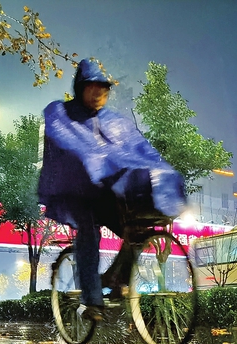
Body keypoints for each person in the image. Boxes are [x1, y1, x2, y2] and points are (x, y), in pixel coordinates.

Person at [38, 58, 186, 322]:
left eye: (103, 89)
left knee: (138, 230)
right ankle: (92, 300)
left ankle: (116, 278)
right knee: (88, 228)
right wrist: (98, 160)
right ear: (79, 87)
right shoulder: (60, 112)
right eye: (91, 87)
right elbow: (69, 142)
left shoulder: (117, 122)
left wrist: (164, 172)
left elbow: (144, 152)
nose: (98, 94)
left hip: (107, 192)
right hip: (73, 192)